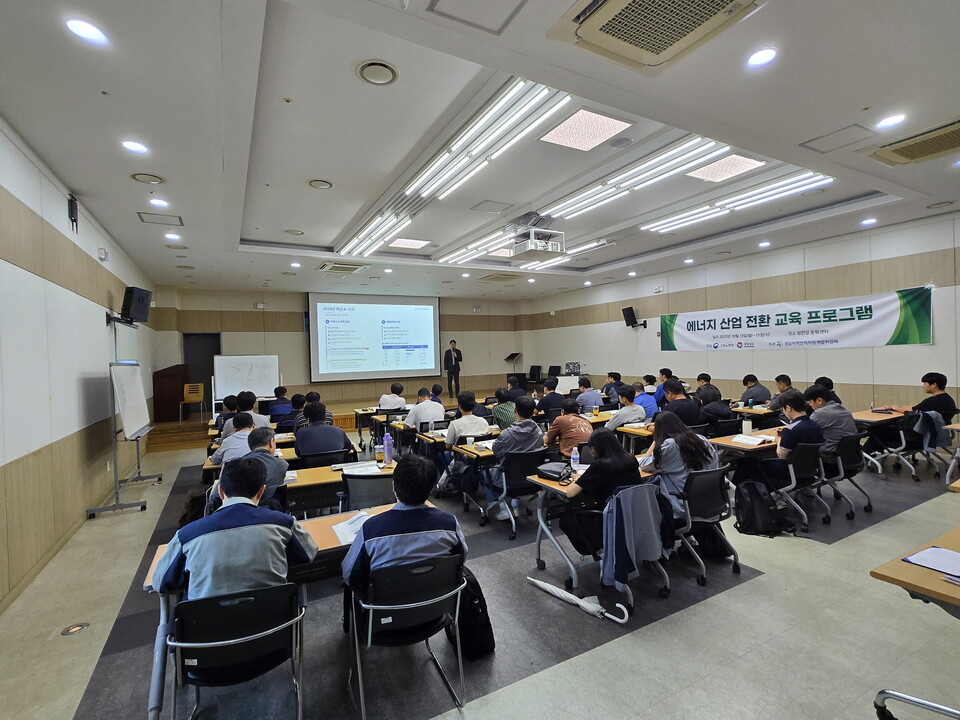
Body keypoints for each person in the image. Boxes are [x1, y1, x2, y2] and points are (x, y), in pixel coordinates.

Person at [153, 457, 318, 600]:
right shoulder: (283, 523)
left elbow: (160, 583)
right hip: (272, 627)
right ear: (261, 491)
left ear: (220, 491)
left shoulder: (187, 535)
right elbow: (309, 553)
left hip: (205, 632)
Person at [342, 454, 466, 595]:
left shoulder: (371, 529)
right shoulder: (450, 524)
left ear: (393, 485)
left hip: (385, 609)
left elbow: (349, 574)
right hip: (438, 604)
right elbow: (460, 560)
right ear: (431, 489)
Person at [557, 428, 642, 555]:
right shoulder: (631, 459)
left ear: (596, 448)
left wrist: (578, 479)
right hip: (635, 514)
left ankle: (595, 549)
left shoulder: (600, 465)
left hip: (609, 517)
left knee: (566, 520)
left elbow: (570, 493)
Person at [734, 390, 824, 486]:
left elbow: (781, 455)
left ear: (788, 408)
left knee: (746, 462)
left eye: (783, 409)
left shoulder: (790, 429)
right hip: (809, 471)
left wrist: (779, 439)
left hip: (787, 472)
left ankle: (738, 495)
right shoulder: (817, 426)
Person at [640, 411, 719, 518]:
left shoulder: (670, 446)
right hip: (710, 503)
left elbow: (645, 465)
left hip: (682, 506)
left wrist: (656, 440)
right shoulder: (701, 439)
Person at [484, 396, 544, 520]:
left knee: (485, 472)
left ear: (515, 410)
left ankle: (502, 507)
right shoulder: (538, 431)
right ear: (533, 412)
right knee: (517, 465)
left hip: (509, 478)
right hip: (532, 477)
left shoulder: (506, 434)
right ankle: (514, 504)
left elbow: (496, 450)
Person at [208, 426, 289, 514]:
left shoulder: (236, 465)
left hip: (236, 513)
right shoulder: (282, 465)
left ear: (250, 445)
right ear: (271, 443)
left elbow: (214, 498)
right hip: (270, 511)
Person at [879, 371, 957, 423]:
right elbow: (917, 407)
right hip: (936, 432)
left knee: (878, 432)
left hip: (918, 435)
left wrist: (896, 408)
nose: (923, 386)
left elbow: (913, 410)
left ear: (934, 385)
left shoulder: (932, 401)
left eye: (924, 383)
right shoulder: (948, 399)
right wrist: (898, 407)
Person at [804, 384, 857, 454]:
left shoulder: (820, 413)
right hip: (849, 454)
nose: (809, 405)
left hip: (830, 454)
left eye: (810, 402)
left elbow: (804, 431)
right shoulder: (840, 408)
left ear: (819, 400)